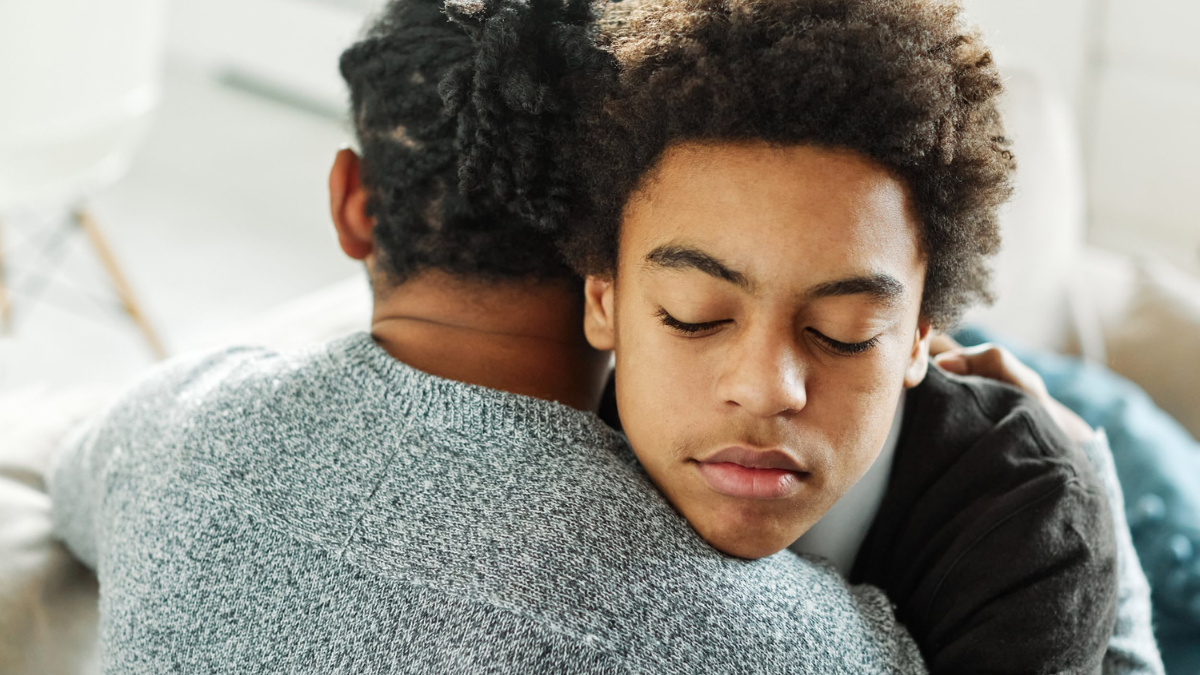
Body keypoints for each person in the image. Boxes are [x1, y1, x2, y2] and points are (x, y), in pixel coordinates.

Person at [47, 0, 927, 672]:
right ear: (615, 260)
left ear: (352, 205)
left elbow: (70, 481)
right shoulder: (760, 633)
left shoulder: (168, 424)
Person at [562, 0, 1149, 671]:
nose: (765, 389)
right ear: (604, 299)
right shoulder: (538, 445)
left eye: (845, 332)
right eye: (695, 314)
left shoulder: (1027, 517)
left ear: (919, 334)